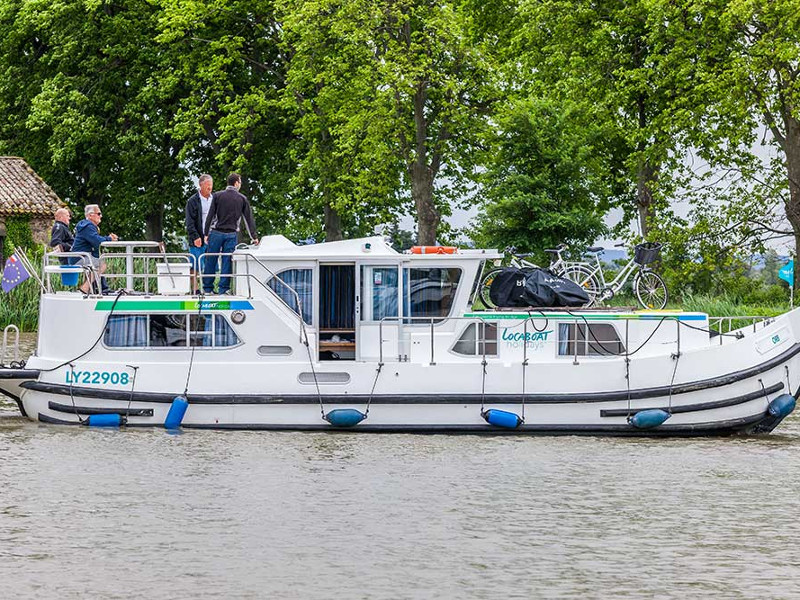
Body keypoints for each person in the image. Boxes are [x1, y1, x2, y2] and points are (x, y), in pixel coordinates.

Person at [202, 173, 258, 295]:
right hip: (231, 234)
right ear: (236, 183)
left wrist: (206, 233)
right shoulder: (242, 198)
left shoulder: (217, 196)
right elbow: (248, 219)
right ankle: (223, 289)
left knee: (211, 259)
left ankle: (207, 289)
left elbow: (210, 215)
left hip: (216, 233)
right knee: (227, 261)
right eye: (240, 182)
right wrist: (254, 237)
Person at [71, 204, 118, 294]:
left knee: (98, 262)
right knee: (102, 265)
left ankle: (99, 289)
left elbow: (95, 240)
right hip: (80, 257)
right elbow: (97, 241)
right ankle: (85, 288)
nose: (101, 216)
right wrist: (109, 238)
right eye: (99, 214)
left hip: (80, 256)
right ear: (90, 215)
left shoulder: (86, 226)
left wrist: (107, 238)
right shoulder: (88, 226)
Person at [185, 174, 214, 293]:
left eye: (211, 185)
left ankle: (209, 288)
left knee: (211, 264)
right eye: (207, 185)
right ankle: (195, 289)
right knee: (195, 265)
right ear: (201, 185)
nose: (210, 187)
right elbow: (189, 222)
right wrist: (195, 236)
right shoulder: (192, 201)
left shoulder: (214, 200)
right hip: (198, 238)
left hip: (211, 237)